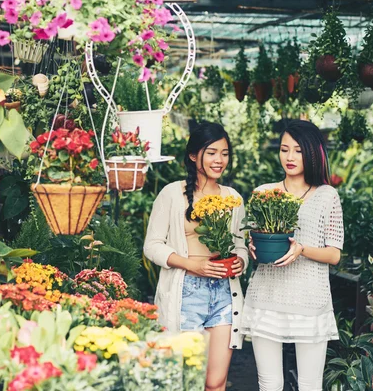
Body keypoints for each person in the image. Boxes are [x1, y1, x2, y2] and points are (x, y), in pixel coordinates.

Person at [143, 121, 248, 391]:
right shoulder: (172, 194)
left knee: (216, 381)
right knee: (186, 380)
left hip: (225, 293)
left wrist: (240, 262)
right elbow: (152, 246)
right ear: (193, 155)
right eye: (211, 152)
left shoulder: (233, 198)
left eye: (224, 153)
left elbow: (240, 246)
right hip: (186, 293)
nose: (219, 160)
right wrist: (192, 265)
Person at [241, 119, 344, 391]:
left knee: (310, 385)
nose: (289, 157)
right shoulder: (264, 193)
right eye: (284, 149)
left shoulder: (327, 196)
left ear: (312, 152)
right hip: (266, 297)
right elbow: (254, 238)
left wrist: (301, 250)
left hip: (310, 301)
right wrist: (251, 246)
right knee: (269, 384)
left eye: (297, 150)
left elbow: (334, 255)